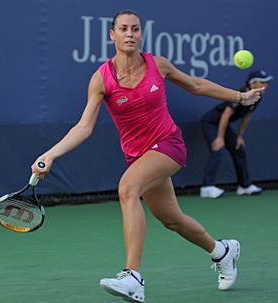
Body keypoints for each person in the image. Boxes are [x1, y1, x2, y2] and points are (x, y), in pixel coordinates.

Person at [32, 10, 264, 303]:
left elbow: (196, 85)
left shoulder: (158, 65)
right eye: (124, 29)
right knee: (172, 219)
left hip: (168, 144)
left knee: (127, 188)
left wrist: (239, 97)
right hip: (138, 156)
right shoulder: (101, 79)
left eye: (135, 29)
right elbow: (84, 127)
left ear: (141, 34)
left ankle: (133, 277)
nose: (130, 34)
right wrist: (50, 154)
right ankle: (222, 251)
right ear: (112, 35)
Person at [200, 70, 273, 199]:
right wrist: (220, 138)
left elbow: (247, 116)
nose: (266, 85)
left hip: (224, 124)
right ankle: (207, 187)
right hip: (211, 122)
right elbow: (226, 115)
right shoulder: (241, 94)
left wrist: (239, 135)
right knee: (217, 148)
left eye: (267, 82)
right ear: (253, 83)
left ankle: (244, 186)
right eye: (263, 82)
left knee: (238, 149)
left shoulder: (257, 96)